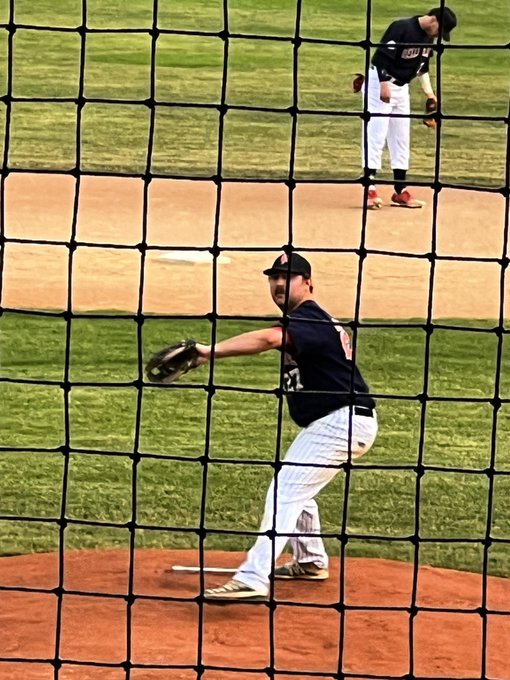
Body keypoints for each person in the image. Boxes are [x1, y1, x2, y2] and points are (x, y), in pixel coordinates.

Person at [191, 252, 378, 601]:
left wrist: (207, 352)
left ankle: (253, 576)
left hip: (342, 421)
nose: (278, 283)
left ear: (307, 283)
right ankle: (309, 560)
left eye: (288, 277)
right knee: (296, 487)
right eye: (274, 277)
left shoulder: (310, 318)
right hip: (339, 421)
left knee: (285, 492)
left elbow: (268, 340)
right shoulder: (307, 319)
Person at [361, 6, 457, 210]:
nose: (439, 37)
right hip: (379, 84)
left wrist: (429, 94)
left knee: (401, 138)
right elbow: (379, 59)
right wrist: (384, 83)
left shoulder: (428, 38)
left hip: (402, 89)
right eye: (440, 31)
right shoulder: (401, 28)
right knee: (376, 134)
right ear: (433, 20)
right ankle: (369, 189)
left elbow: (423, 68)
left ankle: (400, 191)